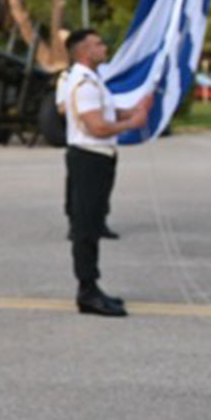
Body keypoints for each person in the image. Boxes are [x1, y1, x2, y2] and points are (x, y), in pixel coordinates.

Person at [61, 28, 152, 317]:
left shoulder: (93, 80)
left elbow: (109, 113)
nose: (104, 47)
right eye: (98, 44)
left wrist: (135, 109)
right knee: (86, 227)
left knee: (92, 223)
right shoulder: (84, 84)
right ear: (84, 52)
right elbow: (97, 127)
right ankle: (87, 291)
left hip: (98, 158)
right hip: (89, 158)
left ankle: (92, 288)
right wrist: (132, 124)